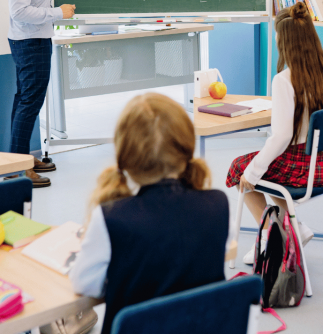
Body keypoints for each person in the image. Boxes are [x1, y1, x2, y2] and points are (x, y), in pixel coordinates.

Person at [68, 93, 229, 334]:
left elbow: (84, 283)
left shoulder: (111, 218)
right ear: (186, 149)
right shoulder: (219, 204)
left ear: (125, 157)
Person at [226, 2, 323, 265]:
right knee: (273, 167)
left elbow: (280, 137)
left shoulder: (283, 80)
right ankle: (295, 227)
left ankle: (272, 236)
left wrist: (251, 173)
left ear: (285, 41)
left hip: (302, 170)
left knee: (240, 169)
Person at [2, 0, 90, 188]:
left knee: (24, 99)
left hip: (29, 38)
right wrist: (59, 12)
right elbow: (19, 10)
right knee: (30, 102)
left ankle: (21, 157)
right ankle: (19, 168)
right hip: (31, 39)